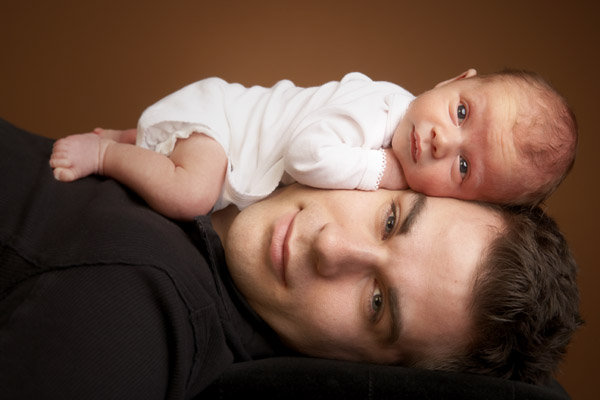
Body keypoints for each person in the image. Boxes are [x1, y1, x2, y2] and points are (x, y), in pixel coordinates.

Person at [1, 120, 581, 399]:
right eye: (390, 220)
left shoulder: (138, 316)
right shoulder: (214, 178)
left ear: (372, 368)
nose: (331, 248)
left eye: (377, 303)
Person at [48, 69, 577, 220]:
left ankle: (128, 138)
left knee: (187, 168)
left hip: (223, 134)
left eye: (464, 166)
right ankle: (107, 154)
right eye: (461, 112)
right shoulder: (381, 109)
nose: (443, 141)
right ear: (453, 81)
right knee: (192, 194)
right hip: (221, 124)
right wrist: (380, 172)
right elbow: (306, 155)